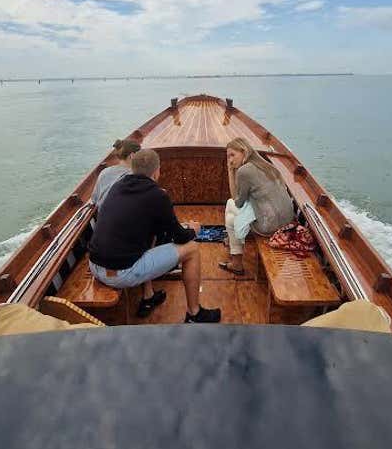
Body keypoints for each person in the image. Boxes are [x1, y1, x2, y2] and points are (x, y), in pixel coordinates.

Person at [89, 149, 222, 323]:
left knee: (149, 238)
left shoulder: (117, 186)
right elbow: (180, 238)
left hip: (94, 266)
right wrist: (193, 230)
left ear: (133, 168)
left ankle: (148, 296)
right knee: (192, 249)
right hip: (120, 273)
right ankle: (194, 313)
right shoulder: (158, 196)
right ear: (157, 170)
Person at [219, 137, 295, 275]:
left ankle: (236, 262)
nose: (230, 160)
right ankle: (231, 243)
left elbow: (238, 202)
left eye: (232, 155)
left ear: (244, 152)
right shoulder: (265, 165)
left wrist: (230, 172)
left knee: (230, 209)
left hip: (270, 226)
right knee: (231, 216)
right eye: (228, 157)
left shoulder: (244, 171)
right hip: (287, 222)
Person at [92, 139, 141, 212]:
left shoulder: (104, 172)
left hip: (103, 217)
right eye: (140, 154)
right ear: (132, 155)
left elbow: (94, 199)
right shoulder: (134, 176)